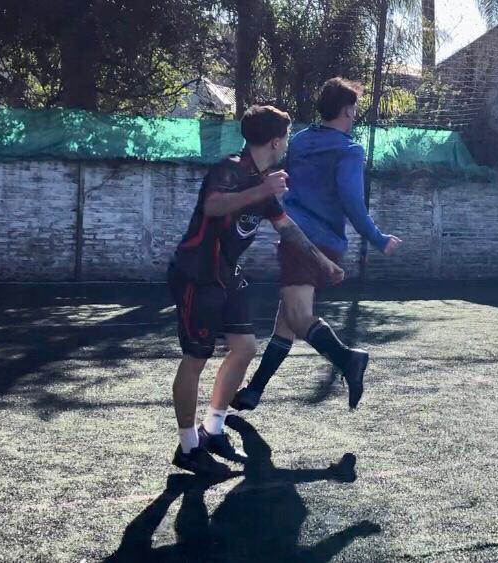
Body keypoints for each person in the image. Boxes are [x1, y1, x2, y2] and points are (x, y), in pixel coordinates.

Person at [167, 105, 344, 476]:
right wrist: (263, 189)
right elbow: (213, 205)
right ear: (276, 141)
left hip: (227, 275)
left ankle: (213, 430)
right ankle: (188, 448)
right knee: (196, 358)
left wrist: (322, 262)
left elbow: (287, 227)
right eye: (286, 138)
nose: (286, 145)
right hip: (197, 273)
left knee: (245, 348)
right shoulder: (231, 169)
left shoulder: (263, 181)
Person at [231, 78, 401, 412]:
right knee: (290, 318)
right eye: (354, 108)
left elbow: (287, 180)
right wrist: (378, 238)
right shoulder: (348, 151)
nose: (355, 114)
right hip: (319, 243)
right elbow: (353, 204)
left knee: (294, 316)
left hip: (296, 238)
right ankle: (342, 361)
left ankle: (258, 389)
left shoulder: (300, 140)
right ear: (347, 110)